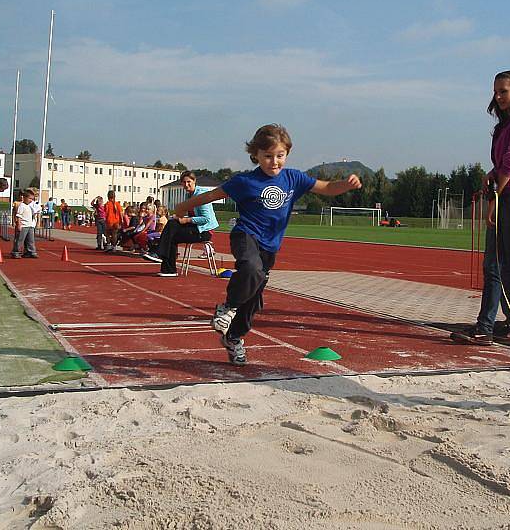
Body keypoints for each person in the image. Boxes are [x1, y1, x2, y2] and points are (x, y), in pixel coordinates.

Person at [171, 124, 361, 365]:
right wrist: (182, 207)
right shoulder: (245, 181)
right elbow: (211, 196)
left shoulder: (294, 178)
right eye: (268, 156)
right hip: (246, 235)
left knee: (254, 300)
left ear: (287, 154)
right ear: (256, 155)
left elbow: (326, 188)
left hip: (271, 247)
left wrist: (346, 184)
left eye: (279, 156)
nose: (274, 162)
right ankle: (227, 307)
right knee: (250, 269)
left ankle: (234, 338)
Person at [451, 71, 510, 345]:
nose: (499, 97)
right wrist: (492, 173)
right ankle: (504, 324)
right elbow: (509, 160)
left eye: (504, 91)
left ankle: (506, 324)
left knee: (506, 263)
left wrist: (494, 198)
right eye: (496, 92)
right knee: (498, 264)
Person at [144, 171, 218, 276]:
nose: (186, 184)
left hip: (204, 231)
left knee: (172, 228)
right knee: (171, 230)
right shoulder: (189, 196)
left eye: (189, 182)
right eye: (184, 182)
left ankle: (158, 253)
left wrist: (186, 220)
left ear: (194, 181)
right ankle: (169, 270)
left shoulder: (201, 195)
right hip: (195, 228)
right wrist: (180, 217)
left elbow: (206, 219)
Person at [11, 188, 39, 258]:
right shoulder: (22, 206)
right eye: (30, 198)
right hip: (23, 226)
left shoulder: (29, 206)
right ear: (24, 198)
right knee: (20, 240)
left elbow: (35, 212)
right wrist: (19, 225)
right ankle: (16, 252)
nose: (31, 200)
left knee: (30, 240)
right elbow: (18, 216)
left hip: (30, 226)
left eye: (32, 199)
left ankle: (30, 252)